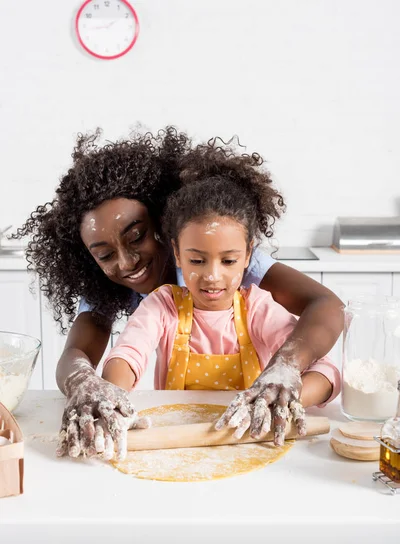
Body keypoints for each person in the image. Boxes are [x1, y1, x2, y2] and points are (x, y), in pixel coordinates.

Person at [15, 126, 344, 460]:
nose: (127, 262)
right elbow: (94, 355)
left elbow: (327, 306)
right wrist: (89, 387)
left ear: (163, 223)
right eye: (105, 255)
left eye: (137, 236)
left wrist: (285, 373)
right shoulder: (159, 304)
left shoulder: (222, 252)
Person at [102, 174, 340, 455]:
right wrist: (111, 397)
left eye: (228, 261)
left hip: (251, 441)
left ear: (248, 254)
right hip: (179, 446)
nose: (212, 276)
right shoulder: (163, 306)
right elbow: (127, 355)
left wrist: (281, 395)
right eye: (197, 260)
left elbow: (327, 372)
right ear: (177, 254)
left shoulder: (258, 309)